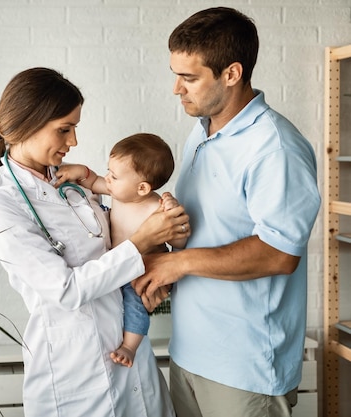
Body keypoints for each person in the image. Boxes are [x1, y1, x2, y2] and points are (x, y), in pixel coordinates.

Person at [0, 67, 189, 417]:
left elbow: (111, 243)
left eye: (75, 128)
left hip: (132, 354)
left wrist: (152, 270)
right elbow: (67, 290)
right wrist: (142, 242)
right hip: (77, 373)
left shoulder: (70, 181)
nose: (73, 142)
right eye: (64, 129)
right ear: (28, 124)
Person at [133, 7, 321, 417]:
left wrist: (176, 265)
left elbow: (279, 253)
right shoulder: (200, 133)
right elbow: (206, 232)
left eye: (189, 77)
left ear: (231, 73)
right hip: (189, 354)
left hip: (245, 370)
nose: (176, 89)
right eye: (175, 73)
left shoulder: (276, 147)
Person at [55, 133, 187, 367]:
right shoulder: (120, 192)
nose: (107, 179)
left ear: (143, 187)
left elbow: (179, 239)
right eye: (109, 171)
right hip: (119, 265)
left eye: (114, 176)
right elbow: (94, 181)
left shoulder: (154, 207)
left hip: (143, 272)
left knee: (134, 305)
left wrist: (173, 211)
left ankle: (130, 346)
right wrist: (80, 172)